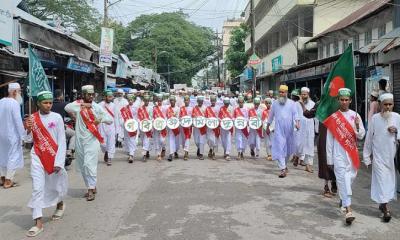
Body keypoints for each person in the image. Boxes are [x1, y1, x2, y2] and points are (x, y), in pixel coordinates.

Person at [24, 91, 68, 237]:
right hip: (37, 156)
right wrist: (28, 128)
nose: (48, 105)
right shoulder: (32, 118)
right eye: (45, 103)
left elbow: (62, 140)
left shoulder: (56, 117)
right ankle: (38, 222)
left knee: (55, 185)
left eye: (50, 103)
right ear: (38, 103)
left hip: (54, 156)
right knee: (37, 188)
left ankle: (60, 204)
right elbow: (27, 140)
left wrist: (59, 162)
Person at [64, 85, 112, 201]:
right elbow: (67, 107)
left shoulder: (96, 107)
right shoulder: (78, 105)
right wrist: (81, 104)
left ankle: (90, 189)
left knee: (89, 164)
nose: (91, 96)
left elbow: (109, 119)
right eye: (88, 94)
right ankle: (91, 185)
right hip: (80, 141)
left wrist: (100, 119)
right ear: (83, 95)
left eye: (92, 94)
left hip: (92, 140)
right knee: (82, 166)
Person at [326, 88, 365, 225]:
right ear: (338, 100)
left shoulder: (356, 116)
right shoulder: (334, 118)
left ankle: (343, 199)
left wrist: (358, 127)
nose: (344, 102)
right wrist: (329, 159)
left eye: (346, 100)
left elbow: (361, 136)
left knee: (350, 178)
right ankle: (348, 210)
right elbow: (329, 140)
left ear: (350, 100)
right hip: (338, 154)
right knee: (343, 180)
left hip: (351, 153)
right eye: (341, 100)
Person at [363, 93, 399, 223]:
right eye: (385, 104)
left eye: (390, 104)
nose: (388, 107)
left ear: (393, 105)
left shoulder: (397, 117)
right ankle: (385, 209)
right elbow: (369, 138)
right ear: (380, 105)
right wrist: (367, 157)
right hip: (378, 156)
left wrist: (396, 131)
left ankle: (383, 203)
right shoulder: (375, 118)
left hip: (391, 157)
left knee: (388, 181)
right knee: (382, 180)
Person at [301, 101, 337, 198]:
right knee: (325, 160)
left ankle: (334, 181)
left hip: (337, 137)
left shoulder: (339, 102)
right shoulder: (321, 104)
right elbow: (308, 114)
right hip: (324, 136)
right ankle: (326, 186)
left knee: (337, 160)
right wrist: (302, 105)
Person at [266, 85, 300, 178]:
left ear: (286, 93)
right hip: (279, 129)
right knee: (280, 147)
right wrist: (268, 126)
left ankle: (284, 165)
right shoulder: (275, 103)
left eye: (283, 92)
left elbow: (296, 114)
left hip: (289, 129)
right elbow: (271, 116)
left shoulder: (292, 103)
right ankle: (282, 168)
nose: (281, 94)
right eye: (280, 92)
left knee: (288, 150)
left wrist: (297, 123)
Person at [0, 82, 25, 188]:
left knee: (2, 155)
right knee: (13, 156)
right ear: (15, 92)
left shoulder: (1, 101)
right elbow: (18, 121)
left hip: (1, 134)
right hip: (12, 135)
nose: (20, 94)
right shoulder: (14, 103)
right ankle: (8, 180)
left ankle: (2, 178)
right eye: (19, 91)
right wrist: (23, 135)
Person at [297, 87, 316, 173]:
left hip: (310, 128)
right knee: (299, 145)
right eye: (302, 94)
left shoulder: (313, 104)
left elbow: (316, 117)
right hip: (300, 128)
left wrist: (317, 129)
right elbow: (294, 115)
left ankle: (308, 165)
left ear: (308, 95)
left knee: (310, 146)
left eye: (305, 94)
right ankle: (297, 156)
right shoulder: (297, 104)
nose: (304, 96)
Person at [98, 90, 116, 166]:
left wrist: (117, 129)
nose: (110, 98)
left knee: (111, 142)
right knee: (103, 143)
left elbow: (116, 117)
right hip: (102, 126)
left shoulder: (113, 105)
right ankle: (106, 151)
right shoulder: (99, 105)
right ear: (105, 97)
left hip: (111, 126)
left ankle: (109, 158)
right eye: (109, 96)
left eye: (111, 96)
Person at [120, 94, 138, 163]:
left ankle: (131, 154)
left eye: (131, 100)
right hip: (126, 125)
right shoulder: (125, 108)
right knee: (127, 139)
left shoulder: (136, 108)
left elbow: (138, 117)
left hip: (133, 125)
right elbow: (121, 117)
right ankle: (129, 151)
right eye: (129, 100)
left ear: (133, 100)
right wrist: (122, 123)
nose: (130, 101)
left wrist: (137, 124)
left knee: (132, 139)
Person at [138, 94, 153, 162]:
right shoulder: (140, 108)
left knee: (147, 139)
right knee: (143, 140)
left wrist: (148, 121)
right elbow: (138, 117)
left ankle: (144, 155)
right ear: (143, 101)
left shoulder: (151, 107)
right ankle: (147, 151)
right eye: (145, 100)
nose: (146, 102)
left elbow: (152, 117)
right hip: (142, 126)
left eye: (148, 100)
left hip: (148, 126)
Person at [205, 95, 220, 160]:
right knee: (209, 139)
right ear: (210, 101)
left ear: (216, 101)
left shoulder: (218, 108)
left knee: (214, 140)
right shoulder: (207, 108)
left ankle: (213, 152)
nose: (213, 102)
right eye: (212, 101)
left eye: (214, 100)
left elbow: (220, 116)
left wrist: (219, 119)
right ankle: (211, 149)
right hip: (209, 127)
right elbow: (205, 116)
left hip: (216, 126)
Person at [234, 96, 249, 160]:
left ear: (243, 102)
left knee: (244, 140)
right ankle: (239, 152)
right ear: (238, 102)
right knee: (238, 139)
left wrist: (246, 121)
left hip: (245, 127)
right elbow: (233, 117)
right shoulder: (236, 110)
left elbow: (248, 117)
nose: (241, 103)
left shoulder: (246, 109)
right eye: (239, 102)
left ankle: (242, 152)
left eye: (242, 102)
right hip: (238, 127)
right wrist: (235, 120)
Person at [192, 96, 207, 160]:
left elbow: (207, 116)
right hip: (196, 127)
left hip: (203, 127)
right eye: (199, 101)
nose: (200, 102)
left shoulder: (205, 108)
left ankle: (201, 153)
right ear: (197, 102)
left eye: (201, 101)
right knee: (196, 141)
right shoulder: (195, 108)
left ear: (203, 102)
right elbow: (192, 116)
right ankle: (199, 147)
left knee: (202, 141)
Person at [153, 94, 167, 161]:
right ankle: (158, 154)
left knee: (162, 140)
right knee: (156, 140)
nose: (159, 102)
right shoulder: (154, 108)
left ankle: (163, 148)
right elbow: (152, 116)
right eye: (158, 101)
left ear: (162, 101)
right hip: (156, 126)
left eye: (160, 101)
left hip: (163, 126)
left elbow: (167, 116)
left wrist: (165, 121)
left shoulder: (165, 108)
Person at [166, 95, 180, 161]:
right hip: (170, 127)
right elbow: (166, 117)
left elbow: (179, 117)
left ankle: (176, 151)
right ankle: (171, 154)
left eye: (173, 100)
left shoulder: (178, 108)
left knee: (177, 141)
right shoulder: (168, 109)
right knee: (171, 140)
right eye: (171, 100)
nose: (172, 102)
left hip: (176, 127)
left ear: (175, 101)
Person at [179, 95, 193, 160]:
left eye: (187, 100)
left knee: (187, 138)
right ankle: (185, 150)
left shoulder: (192, 108)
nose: (186, 101)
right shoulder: (181, 108)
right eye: (185, 100)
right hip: (182, 126)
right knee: (183, 140)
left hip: (188, 127)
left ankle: (186, 152)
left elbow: (193, 117)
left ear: (189, 101)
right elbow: (179, 117)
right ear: (184, 101)